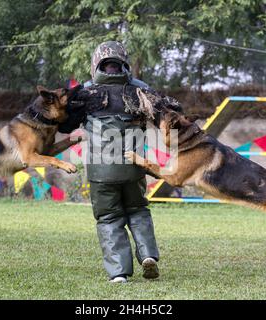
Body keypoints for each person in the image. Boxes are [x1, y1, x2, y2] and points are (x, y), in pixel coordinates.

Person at [59, 41, 160, 283]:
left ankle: (119, 274)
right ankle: (149, 257)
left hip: (100, 170)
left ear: (96, 64)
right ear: (124, 63)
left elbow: (65, 124)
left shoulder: (84, 92)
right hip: (134, 167)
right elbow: (163, 116)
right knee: (138, 209)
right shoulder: (141, 89)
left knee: (108, 218)